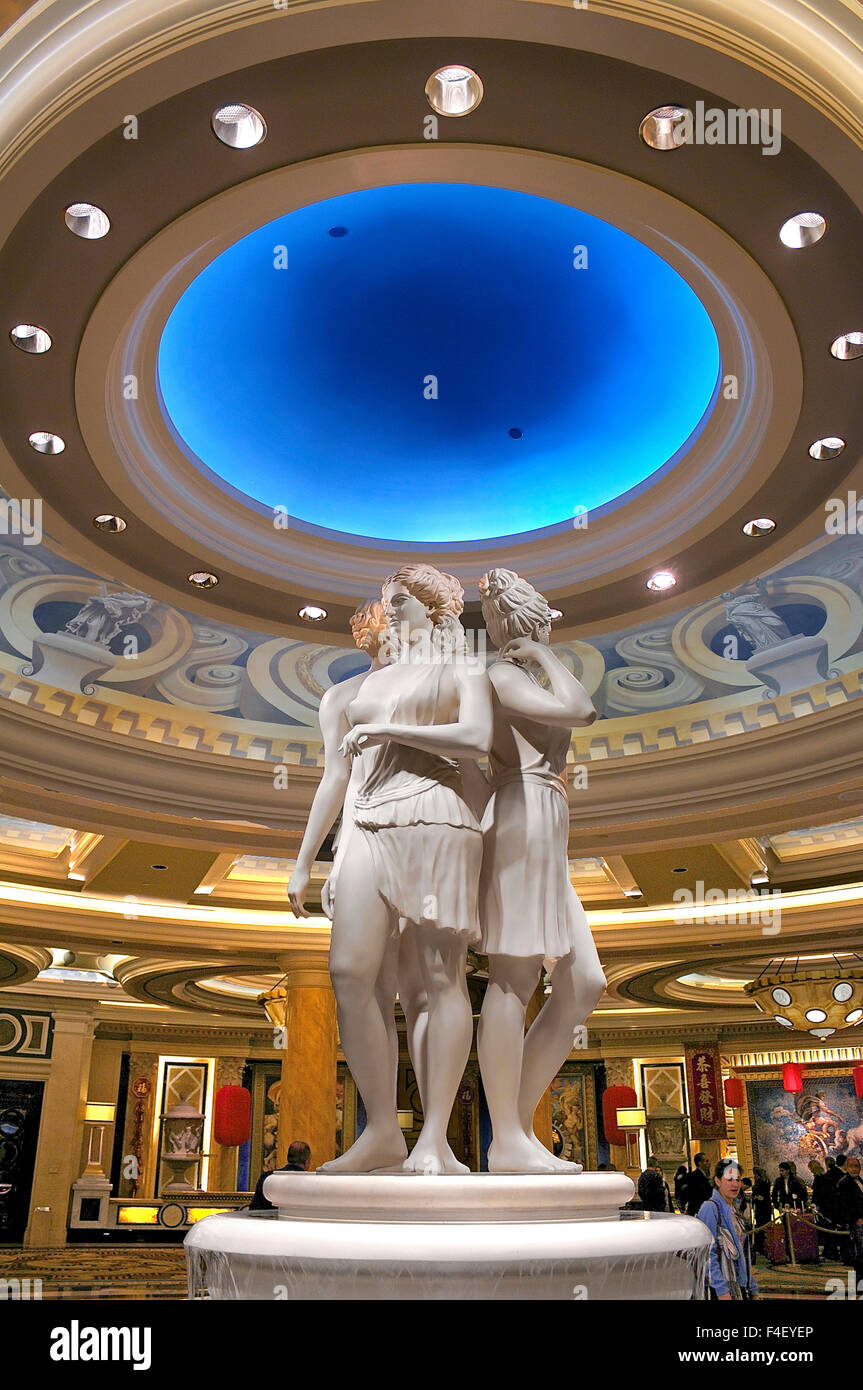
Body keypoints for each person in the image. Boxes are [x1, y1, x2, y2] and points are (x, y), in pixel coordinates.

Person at [323, 564, 493, 1174]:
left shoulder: (461, 667)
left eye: (403, 599)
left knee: (440, 981)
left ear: (433, 608)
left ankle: (435, 1139)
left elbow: (476, 736)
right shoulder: (364, 683)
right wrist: (308, 859)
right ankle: (381, 1130)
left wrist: (388, 726)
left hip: (436, 817)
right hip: (366, 822)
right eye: (387, 599)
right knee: (350, 974)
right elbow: (338, 776)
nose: (390, 608)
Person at [473, 568, 603, 1173]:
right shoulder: (499, 674)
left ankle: (515, 1128)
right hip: (520, 814)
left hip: (549, 819)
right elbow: (582, 709)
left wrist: (546, 657)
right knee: (513, 977)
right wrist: (547, 656)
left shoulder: (525, 671)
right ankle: (506, 1138)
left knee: (585, 983)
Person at [697, 1157, 758, 1300]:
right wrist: (721, 1290)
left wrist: (752, 1288)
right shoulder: (710, 1208)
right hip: (721, 1288)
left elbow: (742, 1253)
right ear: (718, 1181)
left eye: (738, 1179)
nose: (735, 1184)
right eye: (729, 1179)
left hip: (739, 1285)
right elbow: (706, 1254)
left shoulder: (734, 1209)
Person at [249, 1140, 310, 1211]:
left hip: (267, 1220)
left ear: (288, 1158)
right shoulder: (310, 1182)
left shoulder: (267, 1177)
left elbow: (254, 1209)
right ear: (307, 1162)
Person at [836, 1154, 863, 1285]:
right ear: (846, 1168)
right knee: (858, 1256)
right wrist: (855, 1219)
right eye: (851, 1166)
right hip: (854, 1224)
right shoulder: (844, 1183)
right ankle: (858, 1285)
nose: (854, 1169)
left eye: (857, 1166)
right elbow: (843, 1205)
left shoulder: (860, 1181)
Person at [751, 1166, 773, 1260]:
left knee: (760, 1225)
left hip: (761, 1206)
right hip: (766, 1206)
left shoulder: (760, 1182)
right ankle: (764, 1245)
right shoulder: (767, 1181)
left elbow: (756, 1192)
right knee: (765, 1225)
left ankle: (760, 1246)